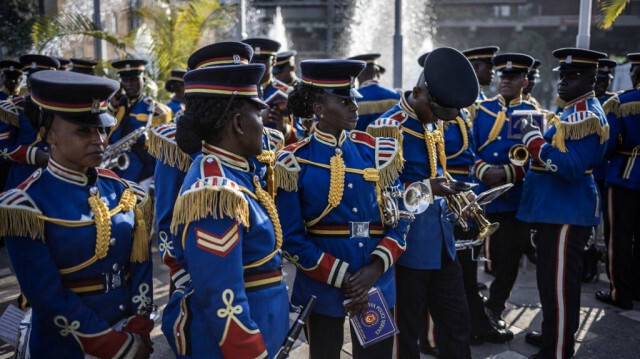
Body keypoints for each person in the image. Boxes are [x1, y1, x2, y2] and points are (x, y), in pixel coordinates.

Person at [0, 70, 154, 358]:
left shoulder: (127, 192)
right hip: (65, 345)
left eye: (102, 129)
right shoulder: (24, 205)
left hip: (129, 335)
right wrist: (116, 345)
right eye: (84, 131)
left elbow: (141, 266)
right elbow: (47, 298)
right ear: (48, 135)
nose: (99, 140)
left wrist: (139, 327)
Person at [275, 59, 408, 358]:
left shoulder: (377, 151)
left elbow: (401, 218)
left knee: (376, 355)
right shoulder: (292, 161)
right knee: (324, 354)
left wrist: (373, 270)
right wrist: (345, 278)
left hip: (375, 281)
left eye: (354, 100)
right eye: (345, 101)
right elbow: (290, 237)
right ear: (319, 108)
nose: (355, 108)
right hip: (322, 284)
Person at [161, 62, 289, 358]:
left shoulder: (236, 172)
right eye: (258, 114)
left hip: (266, 325)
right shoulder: (215, 191)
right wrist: (251, 352)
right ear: (238, 123)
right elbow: (220, 296)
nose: (264, 124)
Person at [370, 47, 478, 359]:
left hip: (441, 242)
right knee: (408, 333)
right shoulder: (389, 127)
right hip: (408, 247)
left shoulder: (431, 119)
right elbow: (381, 195)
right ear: (418, 91)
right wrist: (428, 189)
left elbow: (438, 169)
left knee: (457, 321)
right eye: (435, 109)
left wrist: (461, 196)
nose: (437, 118)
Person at [519, 48, 609, 359]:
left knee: (557, 286)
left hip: (565, 211)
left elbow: (571, 168)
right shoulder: (574, 110)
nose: (564, 81)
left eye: (574, 76)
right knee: (553, 283)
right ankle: (554, 336)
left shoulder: (584, 114)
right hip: (556, 209)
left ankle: (556, 350)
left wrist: (534, 142)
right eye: (563, 75)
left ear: (592, 79)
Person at [473, 53, 538, 330]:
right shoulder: (482, 110)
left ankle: (496, 306)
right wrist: (483, 171)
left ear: (525, 80)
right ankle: (474, 305)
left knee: (509, 258)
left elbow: (536, 157)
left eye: (512, 77)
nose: (506, 81)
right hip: (483, 194)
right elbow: (468, 148)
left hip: (514, 197)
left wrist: (506, 173)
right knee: (479, 254)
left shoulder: (534, 112)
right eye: (503, 76)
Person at [595, 52, 640, 309]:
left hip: (625, 174)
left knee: (619, 238)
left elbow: (609, 145)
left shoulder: (623, 102)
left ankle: (619, 292)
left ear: (635, 73)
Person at [0, 54, 59, 192]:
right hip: (23, 181)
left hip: (56, 178)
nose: (31, 83)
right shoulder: (11, 109)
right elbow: (2, 148)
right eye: (29, 78)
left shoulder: (64, 109)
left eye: (39, 78)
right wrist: (33, 155)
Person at [108, 58, 171, 185]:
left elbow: (163, 149)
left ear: (143, 79)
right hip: (115, 171)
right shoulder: (115, 104)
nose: (129, 84)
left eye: (134, 80)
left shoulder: (156, 110)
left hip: (143, 174)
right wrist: (112, 108)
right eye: (125, 80)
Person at [242, 38, 301, 144]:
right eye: (253, 61)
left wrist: (283, 128)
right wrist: (259, 120)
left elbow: (300, 135)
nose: (257, 65)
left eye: (262, 61)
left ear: (273, 61)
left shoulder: (287, 93)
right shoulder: (239, 91)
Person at [347, 53, 401, 131]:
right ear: (377, 72)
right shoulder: (396, 96)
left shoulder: (351, 100)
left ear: (357, 75)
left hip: (361, 143)